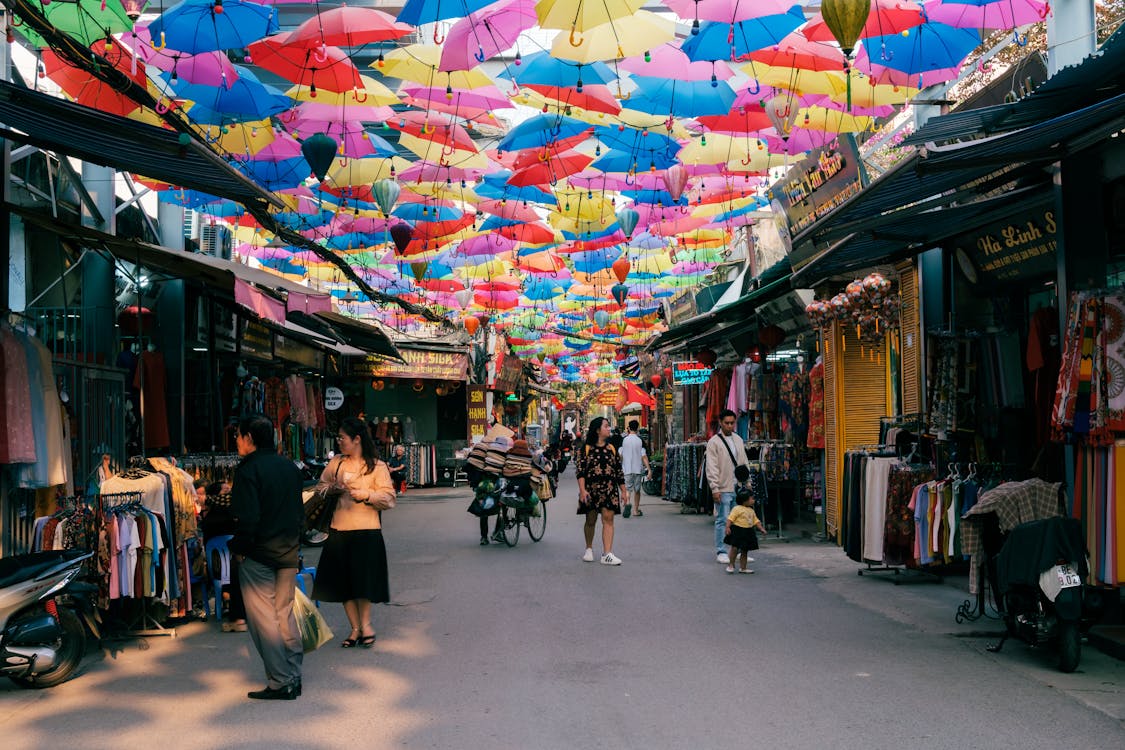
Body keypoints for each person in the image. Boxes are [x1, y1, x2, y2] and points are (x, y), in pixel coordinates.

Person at [230, 414, 304, 701]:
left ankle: (280, 680)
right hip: (288, 551)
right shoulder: (289, 466)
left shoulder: (248, 470)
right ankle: (293, 675)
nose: (236, 440)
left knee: (264, 620)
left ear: (249, 438)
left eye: (238, 435)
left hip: (258, 553)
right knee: (284, 614)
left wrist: (239, 547)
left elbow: (248, 518)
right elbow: (299, 511)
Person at [312, 417, 396, 649]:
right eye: (338, 438)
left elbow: (389, 498)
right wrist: (333, 489)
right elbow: (319, 488)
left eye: (342, 438)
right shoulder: (336, 463)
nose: (339, 442)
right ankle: (355, 628)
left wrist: (367, 495)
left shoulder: (377, 466)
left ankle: (366, 625)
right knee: (343, 584)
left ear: (357, 439)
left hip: (367, 531)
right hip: (339, 530)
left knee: (363, 583)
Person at [575, 416, 627, 565]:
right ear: (598, 430)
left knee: (608, 519)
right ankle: (589, 549)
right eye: (606, 426)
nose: (609, 428)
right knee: (590, 520)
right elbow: (580, 471)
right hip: (591, 490)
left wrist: (624, 491)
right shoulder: (585, 449)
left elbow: (618, 471)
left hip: (609, 490)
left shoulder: (612, 449)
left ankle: (607, 554)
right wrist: (582, 490)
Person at [200, 481, 247, 633]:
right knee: (235, 567)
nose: (228, 494)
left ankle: (226, 599)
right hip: (232, 567)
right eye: (225, 490)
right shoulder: (234, 516)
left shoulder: (208, 520)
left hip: (217, 570)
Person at [706, 409, 748, 565]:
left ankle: (737, 551)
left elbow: (743, 462)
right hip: (723, 487)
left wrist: (747, 482)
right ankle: (721, 551)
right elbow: (712, 466)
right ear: (720, 423)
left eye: (732, 423)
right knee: (723, 520)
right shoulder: (714, 442)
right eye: (727, 423)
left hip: (738, 486)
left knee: (739, 520)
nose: (730, 426)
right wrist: (715, 487)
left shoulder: (738, 439)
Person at [723, 489, 766, 574]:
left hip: (748, 531)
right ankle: (731, 565)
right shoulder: (737, 509)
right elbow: (730, 519)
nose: (753, 500)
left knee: (745, 550)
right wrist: (727, 527)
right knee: (734, 548)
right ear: (744, 500)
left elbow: (756, 521)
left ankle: (743, 568)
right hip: (737, 530)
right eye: (752, 498)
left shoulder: (751, 510)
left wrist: (761, 528)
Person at [620, 419, 650, 518]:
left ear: (628, 428)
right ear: (637, 428)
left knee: (627, 489)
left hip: (627, 469)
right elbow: (644, 456)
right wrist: (649, 469)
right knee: (637, 491)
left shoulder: (624, 440)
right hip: (638, 469)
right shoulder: (640, 440)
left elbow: (620, 455)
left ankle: (628, 502)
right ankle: (636, 511)